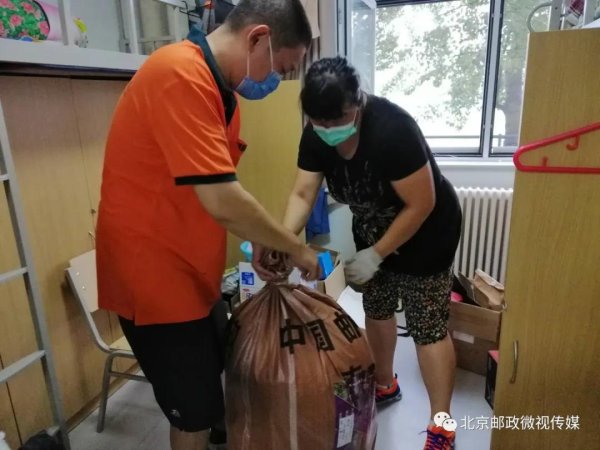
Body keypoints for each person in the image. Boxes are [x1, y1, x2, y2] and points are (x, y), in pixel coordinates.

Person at [95, 2, 319, 449]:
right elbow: (222, 199)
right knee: (193, 413)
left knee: (216, 372)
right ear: (257, 38)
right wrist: (296, 248)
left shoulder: (223, 93)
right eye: (280, 68)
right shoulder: (180, 74)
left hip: (192, 269)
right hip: (155, 278)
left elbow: (218, 189)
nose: (276, 82)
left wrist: (258, 237)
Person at [253, 56, 462, 450]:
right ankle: (385, 383)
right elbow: (303, 193)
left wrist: (376, 254)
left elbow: (421, 203)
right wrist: (285, 239)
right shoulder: (316, 135)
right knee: (377, 309)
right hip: (373, 228)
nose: (330, 131)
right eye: (321, 123)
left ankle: (442, 426)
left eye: (339, 120)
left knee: (427, 328)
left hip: (427, 232)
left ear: (358, 103)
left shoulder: (393, 130)